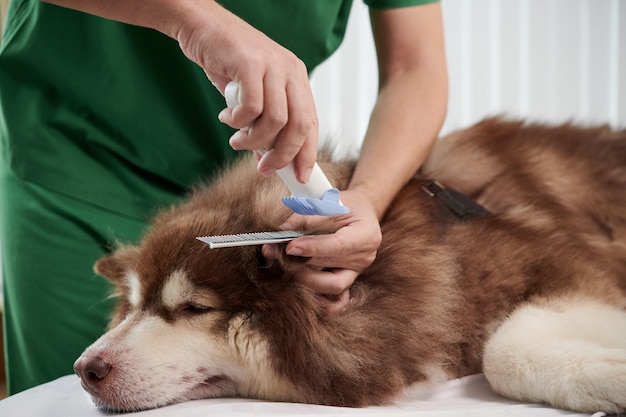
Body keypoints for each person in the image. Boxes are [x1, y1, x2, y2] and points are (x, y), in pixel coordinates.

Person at [0, 0, 447, 395]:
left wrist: (367, 195)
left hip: (245, 191)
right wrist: (196, 20)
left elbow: (416, 67)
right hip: (70, 159)